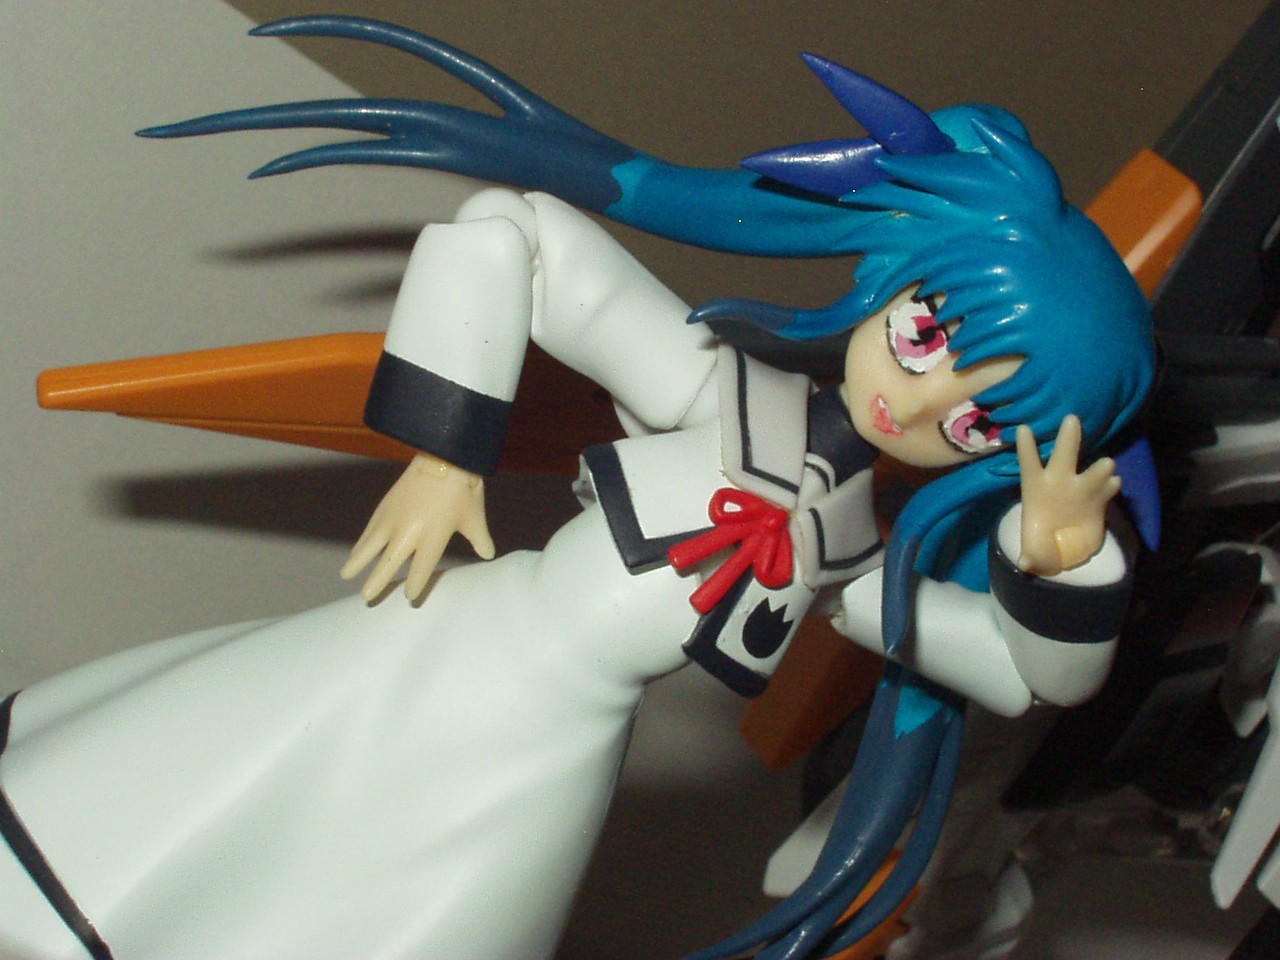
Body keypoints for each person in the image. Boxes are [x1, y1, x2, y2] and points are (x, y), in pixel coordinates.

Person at [0, 17, 1155, 960]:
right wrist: (444, 452)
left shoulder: (851, 559)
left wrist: (1061, 561)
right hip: (425, 651)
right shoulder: (713, 392)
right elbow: (514, 236)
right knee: (173, 829)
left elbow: (1020, 674)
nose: (913, 401)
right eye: (926, 335)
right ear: (894, 277)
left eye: (974, 418)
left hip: (538, 777)